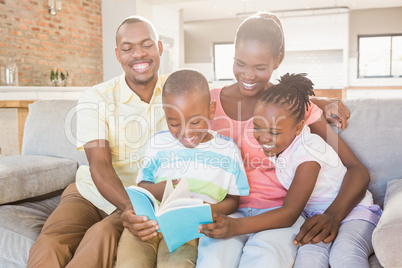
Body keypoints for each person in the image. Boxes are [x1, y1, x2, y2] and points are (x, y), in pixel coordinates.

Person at [197, 11, 370, 268]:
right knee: (212, 262)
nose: (248, 75)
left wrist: (333, 215)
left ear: (278, 60)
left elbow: (357, 169)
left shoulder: (293, 107)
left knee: (263, 260)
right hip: (227, 209)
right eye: (240, 63)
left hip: (280, 213)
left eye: (260, 67)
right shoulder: (208, 102)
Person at [27, 16, 168, 267]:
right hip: (91, 192)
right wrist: (127, 207)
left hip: (144, 197)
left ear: (159, 47)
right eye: (128, 48)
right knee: (50, 244)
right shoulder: (96, 97)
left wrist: (135, 208)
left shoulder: (178, 92)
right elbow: (99, 165)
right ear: (117, 54)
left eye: (146, 45)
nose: (138, 54)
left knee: (100, 236)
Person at [115, 68, 250, 268]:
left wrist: (207, 210)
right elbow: (143, 185)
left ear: (211, 110)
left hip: (188, 229)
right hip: (149, 223)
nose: (185, 131)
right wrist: (160, 190)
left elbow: (233, 200)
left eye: (195, 121)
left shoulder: (227, 150)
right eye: (174, 123)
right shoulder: (158, 143)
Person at [252, 72, 382, 268]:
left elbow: (358, 170)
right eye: (257, 127)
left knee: (345, 254)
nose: (263, 137)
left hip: (354, 210)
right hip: (315, 217)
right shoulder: (276, 135)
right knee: (308, 259)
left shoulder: (307, 147)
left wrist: (333, 216)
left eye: (273, 132)